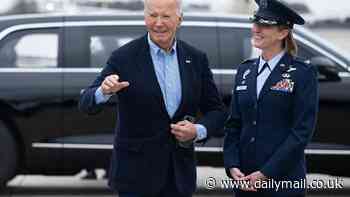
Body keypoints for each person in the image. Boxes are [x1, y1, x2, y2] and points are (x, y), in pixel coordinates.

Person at [79, 0, 227, 196]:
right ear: (144, 17)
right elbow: (85, 103)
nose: (158, 23)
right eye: (152, 15)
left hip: (178, 177)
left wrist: (198, 130)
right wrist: (103, 91)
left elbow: (217, 111)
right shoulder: (124, 57)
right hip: (134, 178)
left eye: (166, 16)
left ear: (179, 19)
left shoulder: (196, 58)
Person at [223, 0, 319, 196]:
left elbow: (301, 132)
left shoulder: (302, 72)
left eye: (265, 24)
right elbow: (234, 124)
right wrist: (232, 165)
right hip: (245, 181)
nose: (256, 29)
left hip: (283, 182)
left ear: (283, 33)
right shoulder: (245, 70)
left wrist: (266, 173)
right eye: (255, 22)